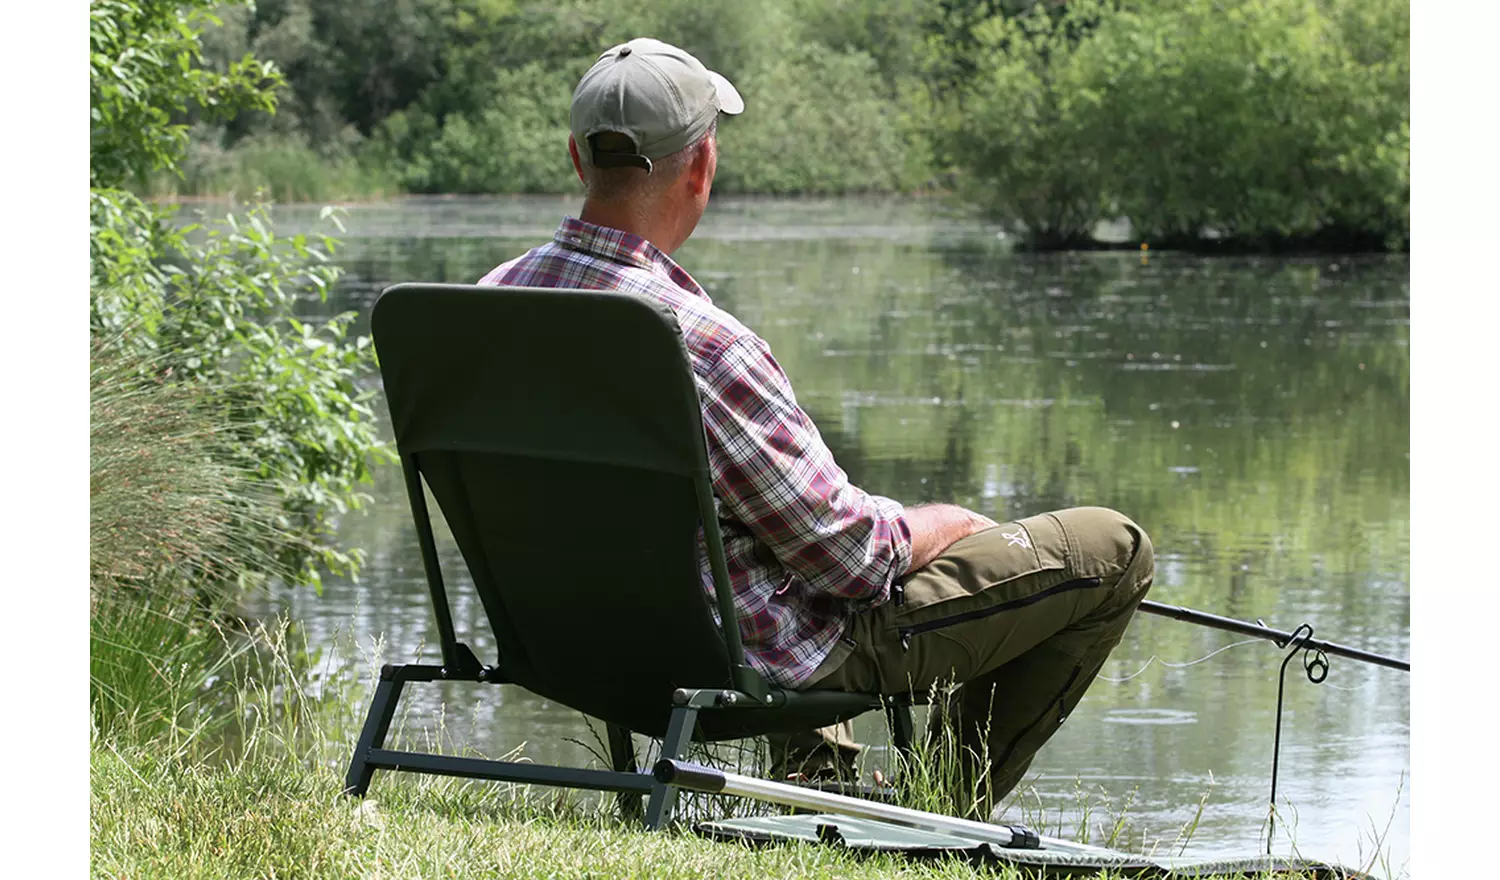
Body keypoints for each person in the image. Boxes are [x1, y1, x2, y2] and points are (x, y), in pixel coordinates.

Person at [479, 37, 1155, 819]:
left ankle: (817, 791)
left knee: (777, 543)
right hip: (731, 655)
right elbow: (856, 561)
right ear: (702, 166)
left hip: (571, 644)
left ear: (575, 158)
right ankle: (937, 813)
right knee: (1114, 549)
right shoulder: (699, 344)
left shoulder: (490, 302)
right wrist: (942, 523)